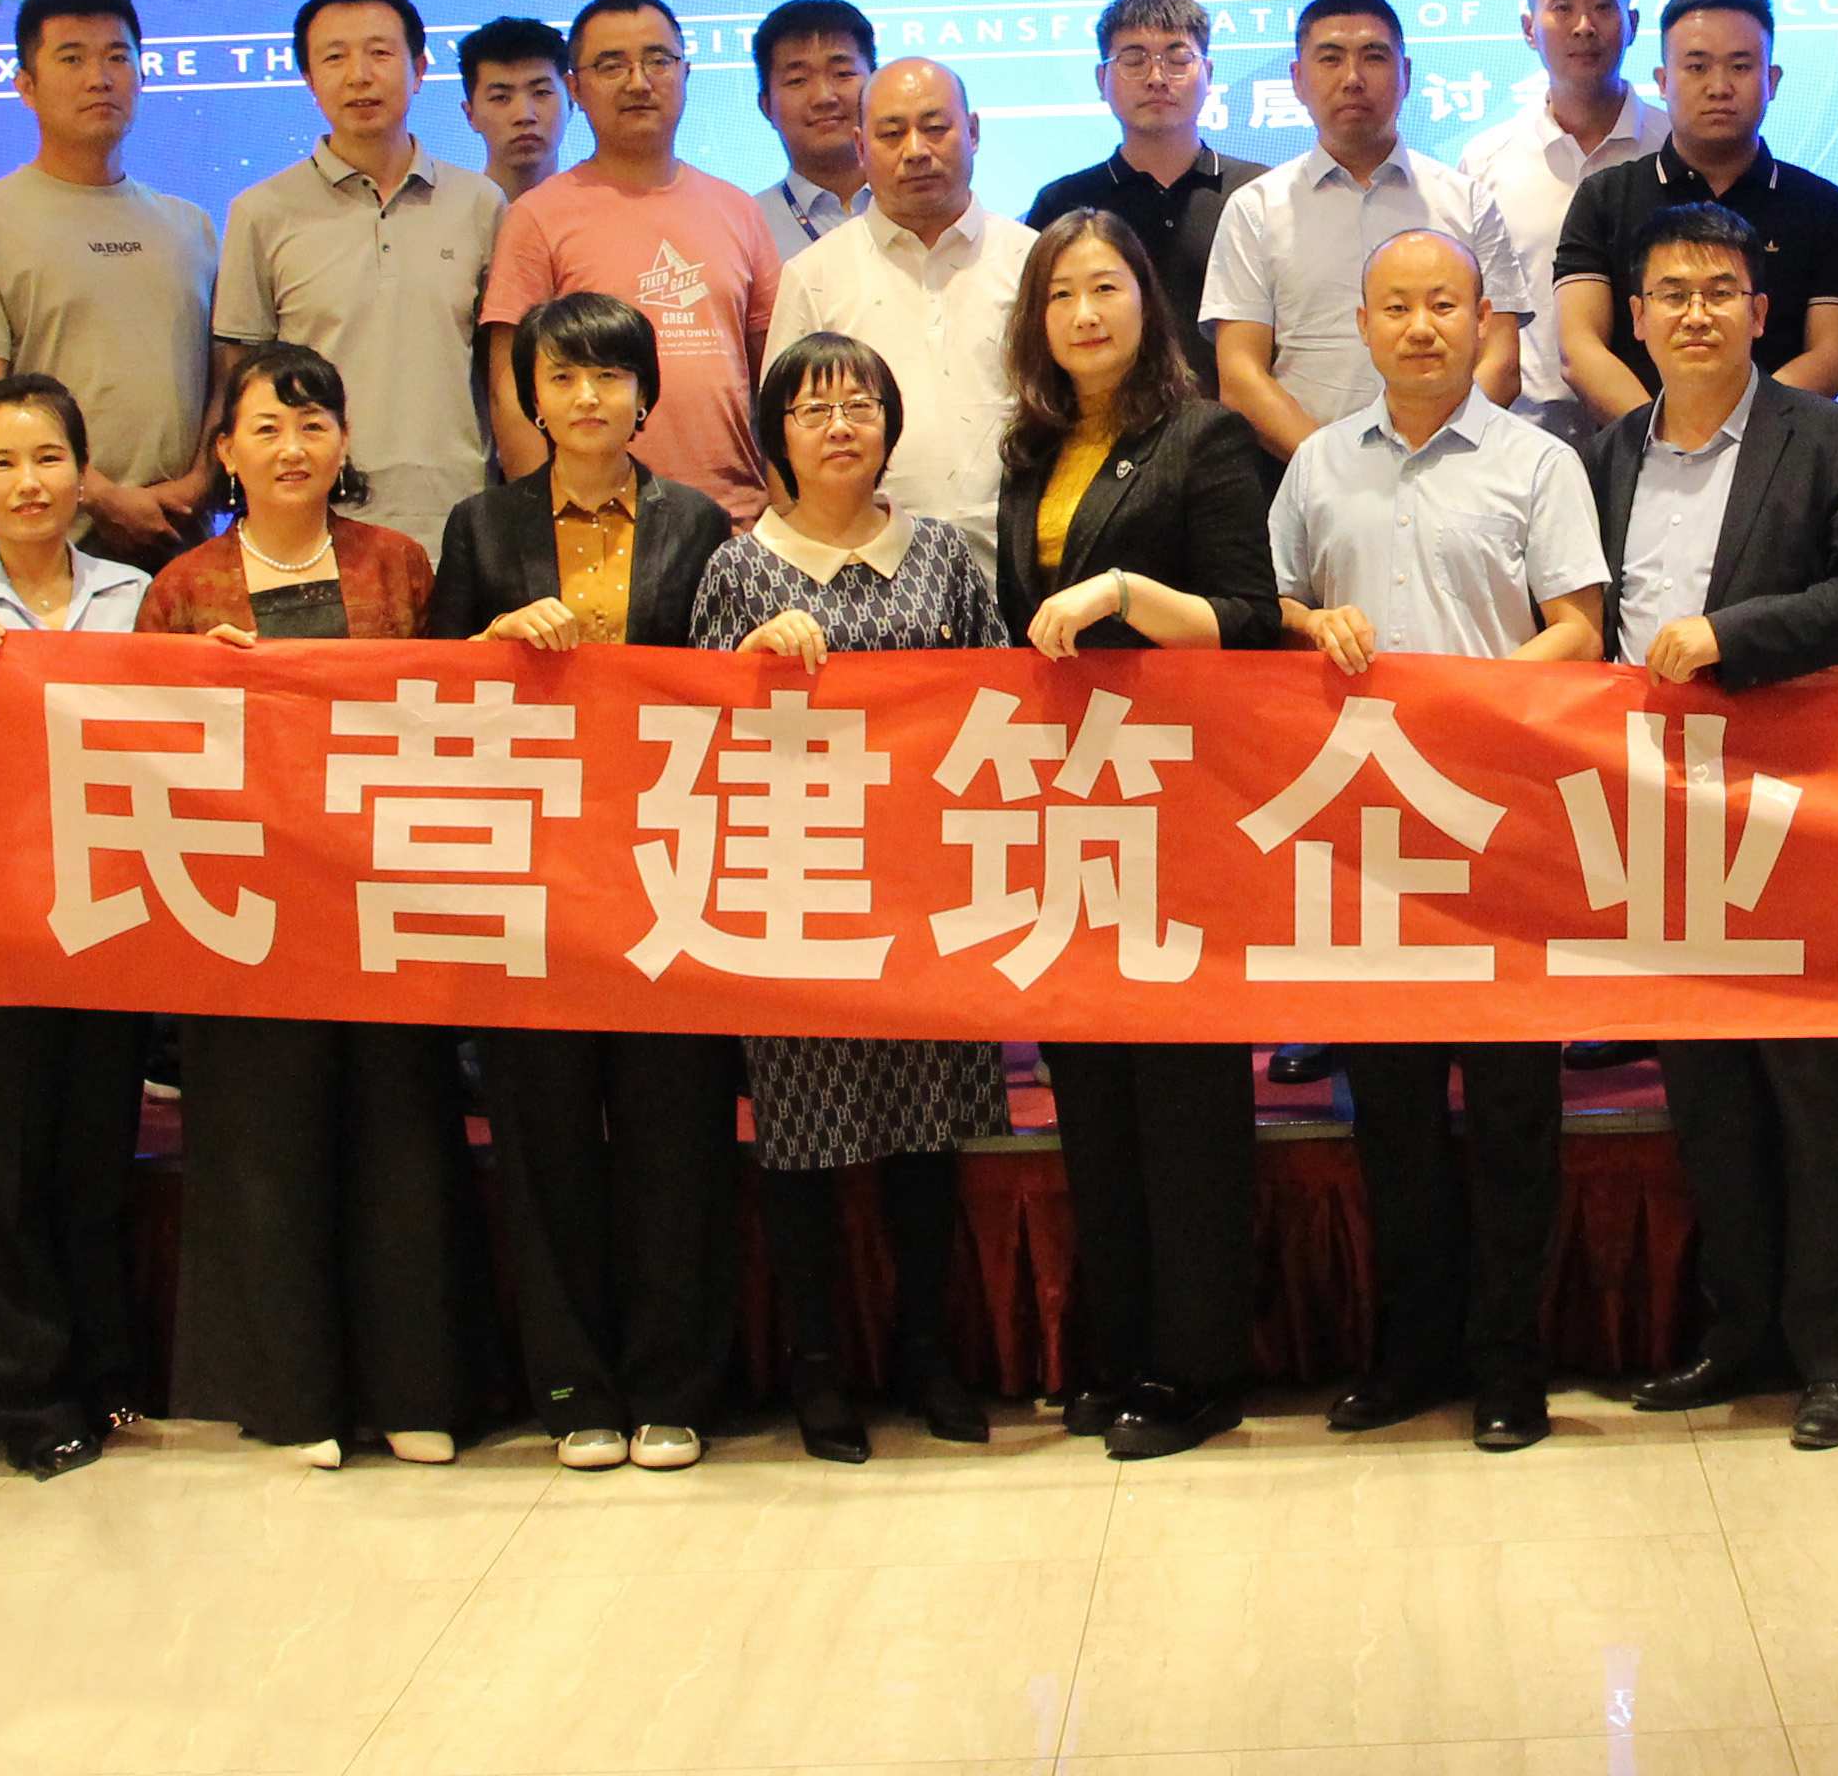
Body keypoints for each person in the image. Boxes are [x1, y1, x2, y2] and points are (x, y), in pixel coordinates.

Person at [1588, 204, 1838, 1452]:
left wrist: (1733, 636)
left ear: (1760, 310)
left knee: (1810, 1090)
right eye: (1671, 293)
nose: (1696, 313)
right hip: (1656, 812)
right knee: (1707, 1094)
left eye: (1720, 290)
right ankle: (1741, 1333)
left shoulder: (1831, 437)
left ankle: (1836, 1357)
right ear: (1635, 318)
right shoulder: (1606, 454)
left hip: (1794, 802)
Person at [1268, 229, 1606, 1450]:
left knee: (1515, 1113)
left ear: (1482, 323)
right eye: (1397, 306)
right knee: (1393, 1114)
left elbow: (1580, 628)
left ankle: (1511, 1363)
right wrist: (1311, 624)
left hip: (1502, 826)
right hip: (1366, 838)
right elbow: (1274, 607)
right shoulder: (1316, 464)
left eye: (1445, 305)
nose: (1421, 327)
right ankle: (1410, 1352)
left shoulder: (1538, 462)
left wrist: (1474, 699)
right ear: (1362, 325)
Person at [136, 345, 470, 1469]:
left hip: (385, 905)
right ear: (226, 451)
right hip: (248, 915)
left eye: (313, 423)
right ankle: (298, 1399)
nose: (292, 447)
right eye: (266, 428)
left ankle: (414, 1387)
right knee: (267, 1152)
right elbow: (142, 750)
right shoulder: (183, 589)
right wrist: (200, 687)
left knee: (401, 1144)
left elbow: (450, 723)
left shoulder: (400, 565)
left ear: (344, 441)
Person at [431, 291, 744, 1474]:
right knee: (547, 1139)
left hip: (664, 869)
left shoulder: (697, 521)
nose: (588, 396)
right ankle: (573, 1387)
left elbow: (721, 685)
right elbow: (431, 694)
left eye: (611, 375)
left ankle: (674, 1386)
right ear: (531, 397)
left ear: (646, 393)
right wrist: (494, 644)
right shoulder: (483, 525)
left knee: (675, 1139)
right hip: (536, 881)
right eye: (562, 376)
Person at [993, 211, 1283, 1462]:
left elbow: (1250, 617)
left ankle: (1198, 1367)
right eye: (1061, 294)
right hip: (1069, 804)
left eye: (1106, 287)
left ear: (1146, 302)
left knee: (1184, 1100)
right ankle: (1119, 1351)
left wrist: (1123, 593)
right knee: (1093, 1097)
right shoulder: (1029, 449)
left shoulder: (1203, 436)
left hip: (1180, 803)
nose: (1085, 313)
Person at [696, 331, 1016, 1462]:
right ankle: (818, 1368)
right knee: (803, 1142)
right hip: (799, 892)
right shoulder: (739, 568)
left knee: (927, 1137)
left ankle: (929, 1355)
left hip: (927, 891)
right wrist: (750, 662)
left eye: (861, 406)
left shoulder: (941, 556)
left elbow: (1002, 702)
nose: (840, 426)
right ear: (776, 436)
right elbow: (693, 733)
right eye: (813, 408)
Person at [0, 375, 158, 1478]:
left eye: (49, 457)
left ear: (83, 474)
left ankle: (106, 1372)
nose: (28, 483)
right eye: (2, 462)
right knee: (0, 1166)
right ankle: (27, 1392)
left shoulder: (137, 594)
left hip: (109, 912)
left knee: (93, 1154)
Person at [0, 0, 218, 567]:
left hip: (182, 540)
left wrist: (200, 480)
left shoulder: (191, 226)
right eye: (72, 58)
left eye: (117, 57)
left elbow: (223, 381)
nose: (99, 78)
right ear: (25, 85)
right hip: (46, 546)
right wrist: (98, 495)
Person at [214, 0, 501, 551]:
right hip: (315, 525)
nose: (359, 75)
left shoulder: (480, 204)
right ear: (308, 79)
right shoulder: (261, 212)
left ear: (419, 69)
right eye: (334, 57)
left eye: (380, 53)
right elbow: (240, 375)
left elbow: (501, 374)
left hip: (459, 517)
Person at [483, 0, 779, 519]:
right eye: (611, 65)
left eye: (657, 61)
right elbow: (511, 392)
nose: (638, 82)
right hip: (597, 521)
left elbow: (777, 379)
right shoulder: (537, 216)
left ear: (685, 73)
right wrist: (542, 525)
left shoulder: (738, 209)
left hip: (736, 521)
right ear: (575, 87)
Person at [1204, 0, 1524, 455]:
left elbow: (1501, 361)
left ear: (1406, 74)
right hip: (1305, 479)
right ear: (1297, 79)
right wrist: (1335, 470)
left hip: (1458, 472)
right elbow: (1241, 377)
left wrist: (1433, 454)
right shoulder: (1255, 209)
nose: (1352, 78)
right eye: (1330, 59)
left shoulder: (1467, 201)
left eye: (1373, 57)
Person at [1552, 0, 1838, 418]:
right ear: (1663, 82)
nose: (1719, 87)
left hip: (1784, 448)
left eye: (1740, 67)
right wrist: (1662, 440)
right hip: (1638, 447)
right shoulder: (1604, 198)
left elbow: (1832, 359)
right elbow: (1580, 350)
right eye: (1697, 67)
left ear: (1772, 80)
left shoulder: (1825, 208)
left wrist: (1741, 438)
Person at [770, 57, 1031, 557]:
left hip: (1025, 563)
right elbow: (784, 447)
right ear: (860, 147)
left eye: (935, 128)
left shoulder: (1032, 260)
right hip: (866, 571)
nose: (915, 151)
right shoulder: (813, 275)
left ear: (973, 132)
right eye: (892, 135)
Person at [1459, 0, 1667, 438]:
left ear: (1633, 23)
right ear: (1529, 28)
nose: (1584, 26)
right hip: (1522, 437)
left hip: (1664, 428)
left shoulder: (1675, 147)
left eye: (1602, 7)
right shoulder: (1485, 162)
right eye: (1563, 7)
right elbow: (1472, 317)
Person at [1026, 0, 1256, 387]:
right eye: (1134, 61)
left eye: (1178, 59)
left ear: (1208, 73)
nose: (1156, 78)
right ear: (1102, 79)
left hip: (1241, 423)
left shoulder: (1257, 192)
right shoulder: (1062, 205)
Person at [748, 0, 876, 264]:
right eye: (797, 80)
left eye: (843, 74)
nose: (824, 97)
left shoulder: (927, 206)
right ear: (766, 106)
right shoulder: (746, 227)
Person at [456, 13, 575, 204]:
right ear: (470, 115)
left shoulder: (603, 215)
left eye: (541, 92)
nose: (524, 115)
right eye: (500, 97)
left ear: (570, 99)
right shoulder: (448, 216)